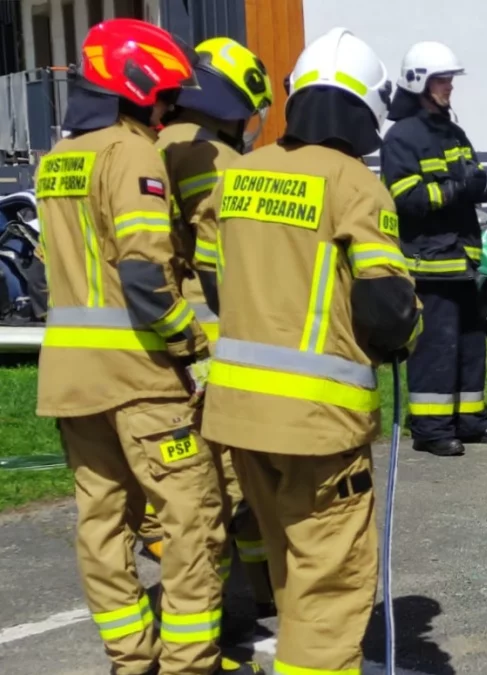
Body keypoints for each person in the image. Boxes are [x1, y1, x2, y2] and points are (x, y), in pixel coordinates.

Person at [193, 27, 422, 675]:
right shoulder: (354, 184)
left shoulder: (239, 176)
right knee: (332, 587)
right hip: (318, 427)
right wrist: (410, 322)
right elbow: (385, 313)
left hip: (238, 416)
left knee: (294, 575)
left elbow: (214, 281)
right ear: (366, 110)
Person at [35, 18, 255, 675]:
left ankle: (131, 660)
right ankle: (192, 662)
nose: (166, 112)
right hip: (139, 377)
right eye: (162, 97)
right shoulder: (130, 153)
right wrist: (188, 342)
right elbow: (142, 275)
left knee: (101, 520)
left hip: (70, 380)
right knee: (193, 517)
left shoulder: (56, 160)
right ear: (137, 90)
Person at [150, 35, 276, 626]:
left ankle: (249, 594)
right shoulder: (213, 158)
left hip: (155, 337)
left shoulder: (151, 142)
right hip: (210, 341)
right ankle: (219, 616)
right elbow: (222, 262)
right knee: (228, 483)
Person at [380, 41, 487, 457]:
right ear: (418, 82)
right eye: (442, 80)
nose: (449, 87)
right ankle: (432, 429)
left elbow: (483, 180)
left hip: (464, 258)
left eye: (451, 79)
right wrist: (457, 188)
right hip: (429, 262)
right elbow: (407, 199)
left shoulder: (453, 132)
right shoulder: (402, 137)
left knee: (471, 345)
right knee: (435, 348)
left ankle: (469, 421)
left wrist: (481, 185)